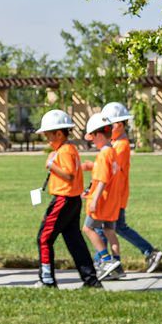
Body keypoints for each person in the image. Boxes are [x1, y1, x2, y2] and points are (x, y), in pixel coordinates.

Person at [32, 109, 101, 288]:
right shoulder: (68, 149)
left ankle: (46, 279)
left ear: (60, 133)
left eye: (49, 135)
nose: (47, 139)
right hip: (72, 200)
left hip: (64, 199)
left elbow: (69, 175)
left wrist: (51, 165)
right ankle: (90, 279)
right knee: (74, 240)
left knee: (44, 238)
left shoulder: (64, 151)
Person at [97, 102, 162, 276]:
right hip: (116, 193)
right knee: (114, 227)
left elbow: (111, 170)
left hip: (115, 194)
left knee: (105, 227)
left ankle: (110, 263)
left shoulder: (120, 145)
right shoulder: (116, 143)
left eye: (108, 126)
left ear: (118, 125)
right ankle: (116, 264)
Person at [83, 111, 126, 279]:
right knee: (109, 230)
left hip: (102, 200)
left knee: (88, 228)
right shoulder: (112, 151)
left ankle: (107, 260)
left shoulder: (103, 154)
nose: (92, 140)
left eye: (92, 137)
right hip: (113, 199)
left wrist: (94, 198)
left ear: (99, 134)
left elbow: (102, 179)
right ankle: (117, 266)